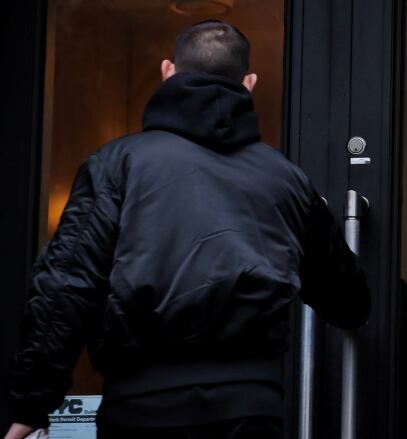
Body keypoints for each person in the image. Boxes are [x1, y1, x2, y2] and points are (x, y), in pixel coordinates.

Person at [4, 20, 370, 439]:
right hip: (249, 410)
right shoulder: (285, 178)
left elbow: (67, 289)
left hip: (141, 410)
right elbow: (350, 302)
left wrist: (32, 404)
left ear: (167, 71)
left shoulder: (117, 164)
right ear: (248, 83)